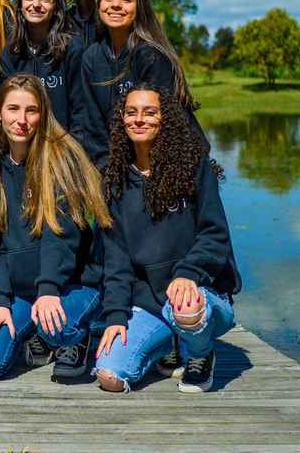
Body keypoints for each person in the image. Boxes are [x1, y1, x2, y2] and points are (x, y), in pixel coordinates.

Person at [94, 83, 241, 394]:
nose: (139, 119)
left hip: (202, 294)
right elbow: (116, 258)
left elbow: (215, 234)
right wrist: (116, 314)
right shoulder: (113, 179)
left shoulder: (194, 166)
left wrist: (189, 273)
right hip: (150, 303)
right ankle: (167, 342)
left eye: (150, 112)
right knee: (109, 376)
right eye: (131, 112)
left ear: (166, 118)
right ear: (121, 119)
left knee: (185, 306)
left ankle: (200, 353)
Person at [0, 74, 111, 381]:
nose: (22, 120)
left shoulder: (60, 157)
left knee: (57, 328)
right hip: (20, 292)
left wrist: (48, 290)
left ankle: (75, 337)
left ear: (43, 114)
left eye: (31, 110)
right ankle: (34, 330)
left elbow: (61, 234)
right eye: (13, 109)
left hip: (69, 284)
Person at [80, 0, 204, 170]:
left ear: (140, 8)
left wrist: (140, 173)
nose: (116, 5)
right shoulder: (91, 57)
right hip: (117, 167)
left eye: (127, 0)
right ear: (99, 6)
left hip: (170, 164)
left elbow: (164, 125)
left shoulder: (150, 55)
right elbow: (92, 125)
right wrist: (108, 168)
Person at [0, 0, 90, 134]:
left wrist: (71, 147)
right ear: (20, 3)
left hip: (62, 143)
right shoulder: (11, 51)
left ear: (56, 8)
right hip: (22, 140)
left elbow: (81, 111)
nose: (36, 4)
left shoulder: (73, 49)